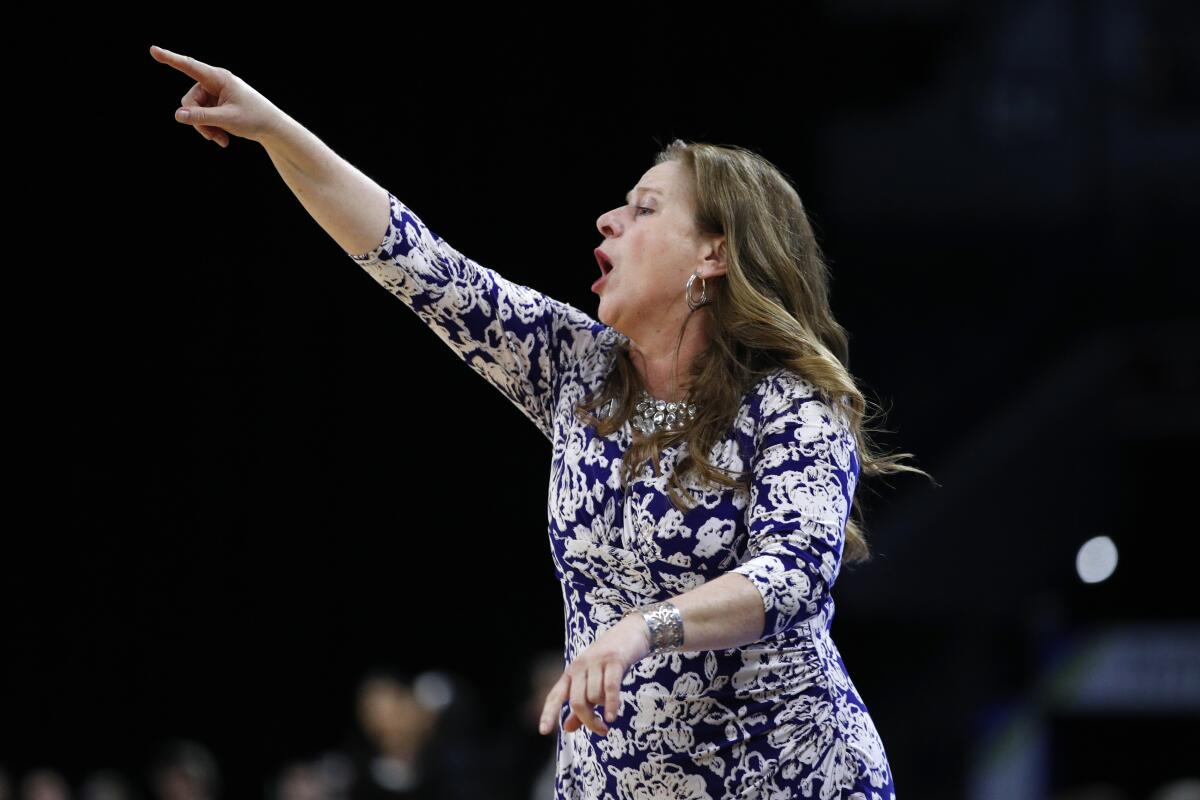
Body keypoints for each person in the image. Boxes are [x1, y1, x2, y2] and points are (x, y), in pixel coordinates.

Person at [150, 43, 935, 799]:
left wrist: (642, 629)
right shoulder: (579, 367)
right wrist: (273, 128)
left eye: (644, 207)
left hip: (790, 779)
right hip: (610, 783)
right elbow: (411, 259)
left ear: (713, 256)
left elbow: (794, 573)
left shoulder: (793, 403)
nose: (607, 220)